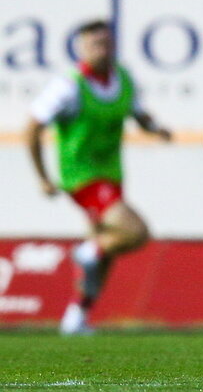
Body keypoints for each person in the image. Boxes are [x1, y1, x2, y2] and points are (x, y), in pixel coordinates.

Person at [27, 19, 172, 335]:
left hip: (112, 174)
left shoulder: (122, 78)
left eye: (107, 42)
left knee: (106, 253)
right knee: (135, 232)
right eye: (95, 44)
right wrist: (43, 177)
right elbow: (33, 127)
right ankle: (85, 252)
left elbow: (136, 112)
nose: (103, 49)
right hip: (81, 175)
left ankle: (77, 315)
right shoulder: (69, 86)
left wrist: (155, 128)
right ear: (81, 48)